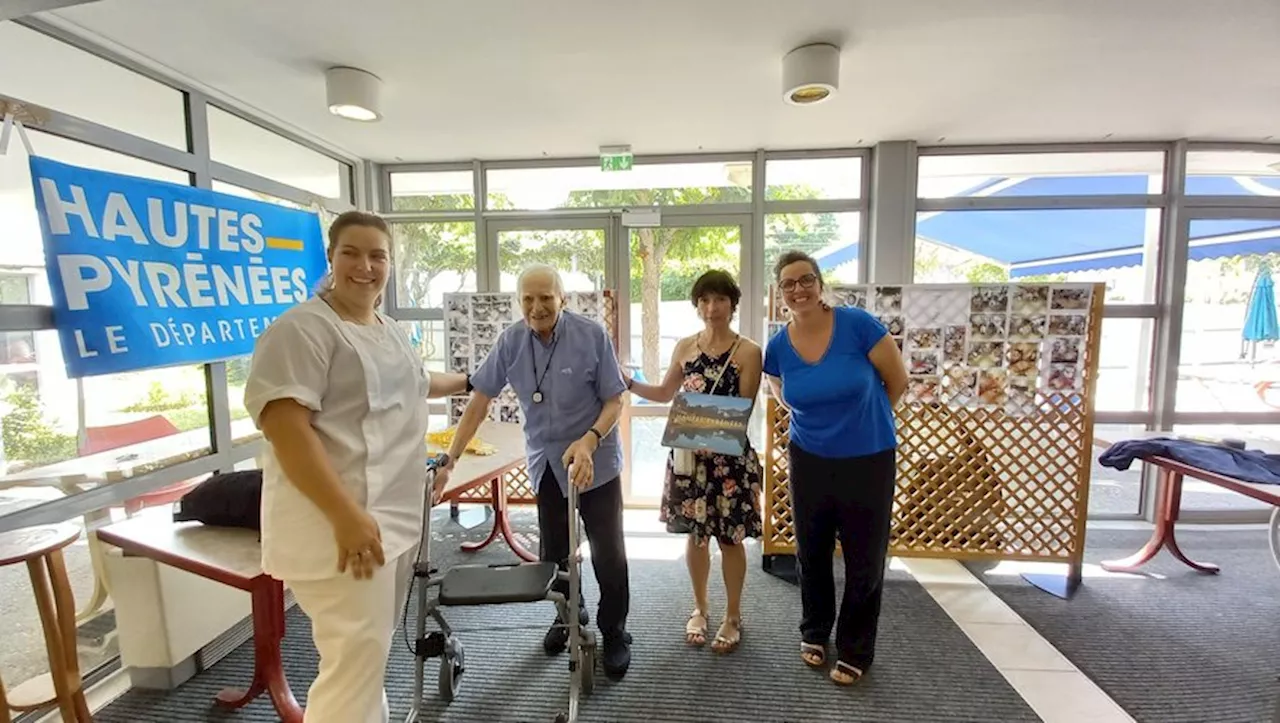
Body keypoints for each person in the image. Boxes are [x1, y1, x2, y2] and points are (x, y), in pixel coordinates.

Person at [243, 211, 472, 723]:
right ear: (330, 257)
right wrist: (345, 516)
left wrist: (472, 379)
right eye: (352, 253)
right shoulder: (300, 330)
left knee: (368, 658)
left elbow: (415, 380)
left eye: (378, 256)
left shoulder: (385, 327)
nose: (365, 266)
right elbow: (285, 429)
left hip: (390, 519)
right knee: (353, 662)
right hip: (339, 527)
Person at [434, 264, 633, 678]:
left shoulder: (591, 335)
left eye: (546, 297)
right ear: (518, 302)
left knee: (608, 554)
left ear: (562, 298)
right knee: (554, 553)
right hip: (546, 464)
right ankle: (566, 618)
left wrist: (589, 440)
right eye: (528, 299)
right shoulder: (511, 341)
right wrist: (451, 457)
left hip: (594, 460)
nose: (537, 306)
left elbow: (615, 400)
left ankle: (613, 630)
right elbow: (479, 399)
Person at [762, 250, 908, 687]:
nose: (798, 289)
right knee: (812, 552)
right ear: (780, 292)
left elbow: (896, 382)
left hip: (869, 458)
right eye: (788, 283)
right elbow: (782, 394)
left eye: (806, 279)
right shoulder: (777, 345)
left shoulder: (858, 325)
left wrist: (863, 422)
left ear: (820, 283)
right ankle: (814, 630)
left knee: (865, 559)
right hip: (809, 459)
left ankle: (856, 649)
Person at [625, 269, 762, 654]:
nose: (711, 307)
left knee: (730, 538)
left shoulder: (749, 351)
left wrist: (699, 424)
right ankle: (700, 608)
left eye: (719, 299)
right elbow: (667, 392)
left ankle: (733, 616)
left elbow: (743, 410)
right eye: (704, 299)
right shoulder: (684, 346)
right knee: (696, 537)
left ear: (732, 304)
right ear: (696, 304)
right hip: (688, 461)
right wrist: (629, 382)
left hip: (729, 462)